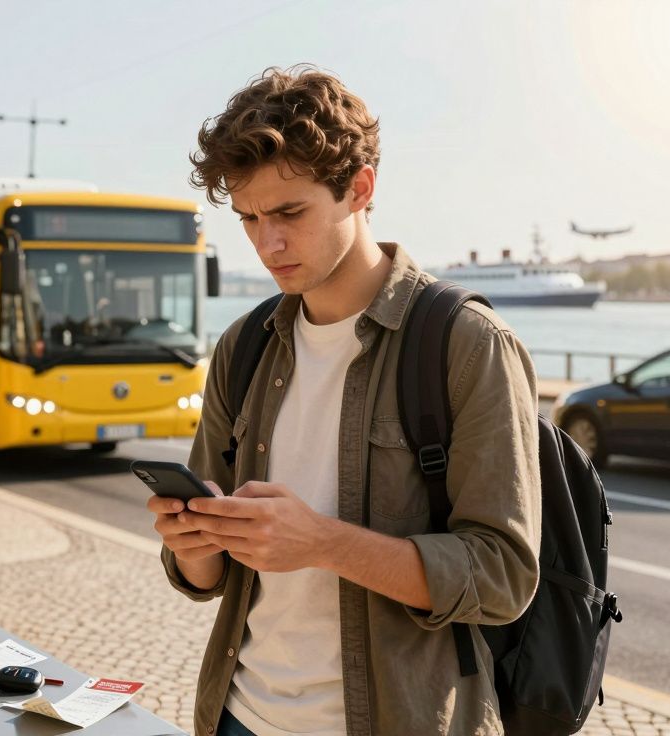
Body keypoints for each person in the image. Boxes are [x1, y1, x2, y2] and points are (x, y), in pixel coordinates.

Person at [148, 67, 542, 736]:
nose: (266, 242)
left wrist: (324, 543)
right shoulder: (244, 347)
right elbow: (203, 576)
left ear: (360, 188)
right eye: (247, 218)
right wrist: (191, 542)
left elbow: (502, 576)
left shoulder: (467, 344)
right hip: (238, 717)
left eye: (289, 213)